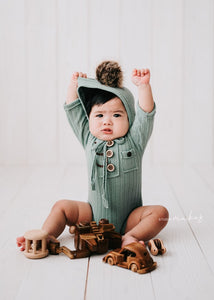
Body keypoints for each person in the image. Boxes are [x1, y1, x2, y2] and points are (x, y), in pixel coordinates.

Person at [17, 61, 168, 251]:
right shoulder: (89, 139)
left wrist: (144, 87)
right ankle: (45, 235)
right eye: (99, 115)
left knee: (161, 213)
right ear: (89, 119)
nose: (107, 121)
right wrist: (73, 86)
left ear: (129, 118)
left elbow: (146, 114)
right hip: (94, 215)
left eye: (116, 115)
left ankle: (130, 237)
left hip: (130, 218)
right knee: (61, 206)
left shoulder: (135, 141)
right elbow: (73, 110)